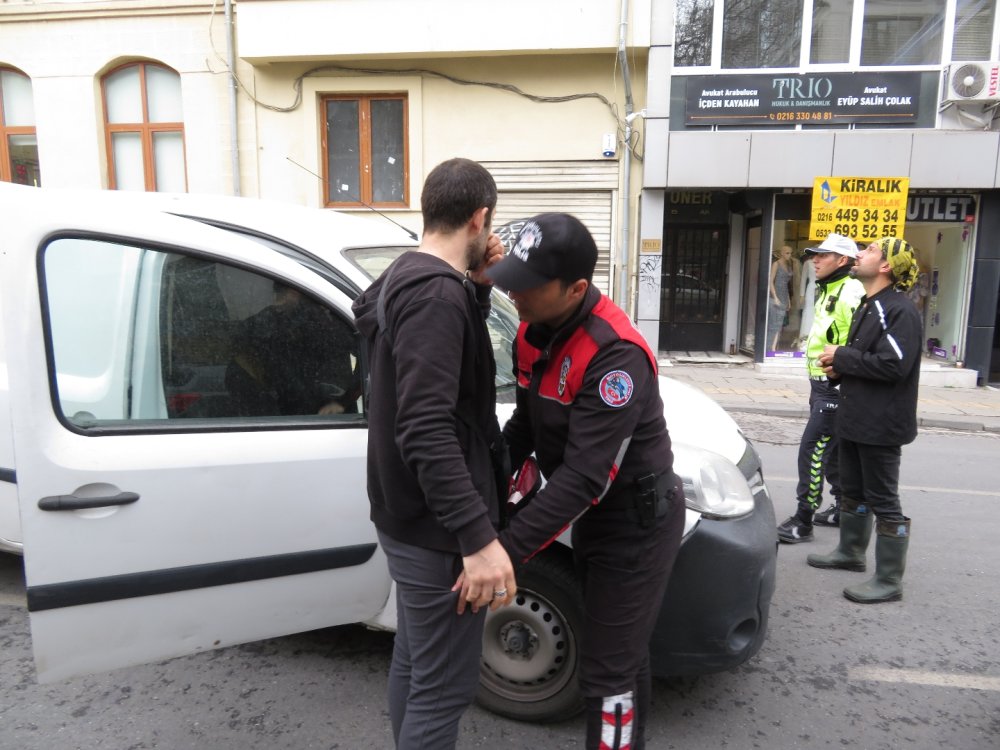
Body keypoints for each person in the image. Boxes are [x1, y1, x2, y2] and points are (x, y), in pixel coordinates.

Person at [477, 213, 685, 750]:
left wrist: (505, 550)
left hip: (634, 522)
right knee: (620, 651)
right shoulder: (531, 328)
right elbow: (524, 424)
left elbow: (585, 479)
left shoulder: (616, 355)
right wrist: (490, 488)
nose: (513, 295)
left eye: (527, 286)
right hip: (595, 515)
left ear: (575, 288)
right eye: (511, 280)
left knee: (606, 674)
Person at [351, 157, 516, 748]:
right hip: (437, 531)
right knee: (443, 688)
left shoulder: (405, 275)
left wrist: (477, 289)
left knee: (418, 664)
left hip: (406, 516)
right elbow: (425, 427)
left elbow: (440, 376)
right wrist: (477, 538)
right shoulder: (436, 298)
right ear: (480, 217)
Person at [807, 237, 922, 604]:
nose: (859, 254)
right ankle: (850, 553)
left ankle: (889, 581)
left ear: (887, 266)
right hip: (854, 417)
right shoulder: (869, 305)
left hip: (881, 424)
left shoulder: (899, 310)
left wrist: (842, 356)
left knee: (884, 500)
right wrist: (840, 368)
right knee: (852, 490)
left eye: (870, 250)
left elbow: (895, 365)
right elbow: (867, 358)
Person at [777, 233, 865, 543]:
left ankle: (804, 520)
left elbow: (862, 340)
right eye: (814, 255)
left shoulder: (851, 291)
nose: (815, 260)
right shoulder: (830, 288)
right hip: (822, 384)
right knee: (833, 453)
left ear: (843, 261)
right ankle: (843, 507)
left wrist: (842, 370)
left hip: (835, 386)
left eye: (823, 255)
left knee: (812, 450)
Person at [226, 281, 359, 416]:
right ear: (294, 293)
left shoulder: (255, 325)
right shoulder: (316, 322)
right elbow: (371, 357)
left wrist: (343, 402)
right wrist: (344, 401)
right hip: (315, 414)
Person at [768, 245, 796, 351]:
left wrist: (788, 300)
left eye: (791, 253)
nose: (790, 255)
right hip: (776, 295)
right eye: (787, 253)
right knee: (774, 322)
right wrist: (775, 297)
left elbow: (786, 285)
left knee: (780, 324)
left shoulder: (789, 265)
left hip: (784, 295)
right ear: (782, 253)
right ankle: (771, 347)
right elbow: (771, 282)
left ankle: (774, 346)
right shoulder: (776, 264)